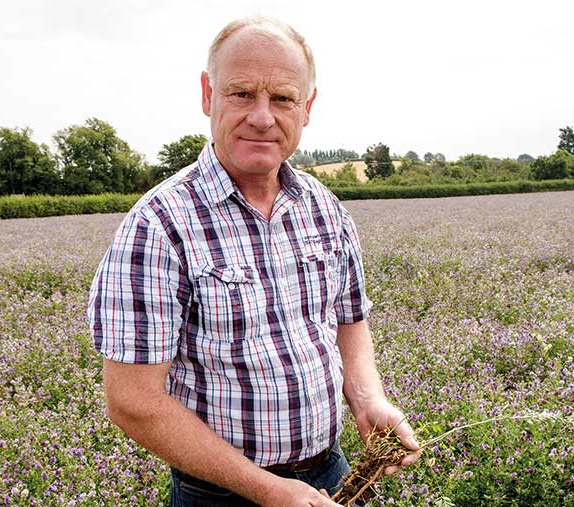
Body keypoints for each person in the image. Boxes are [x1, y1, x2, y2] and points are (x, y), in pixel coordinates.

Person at [87, 17, 420, 506]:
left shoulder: (323, 208)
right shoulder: (159, 226)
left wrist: (368, 399)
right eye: (242, 93)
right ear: (208, 94)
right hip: (221, 494)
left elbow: (349, 321)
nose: (263, 117)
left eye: (283, 98)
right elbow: (133, 402)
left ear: (306, 108)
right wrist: (265, 489)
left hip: (333, 473)